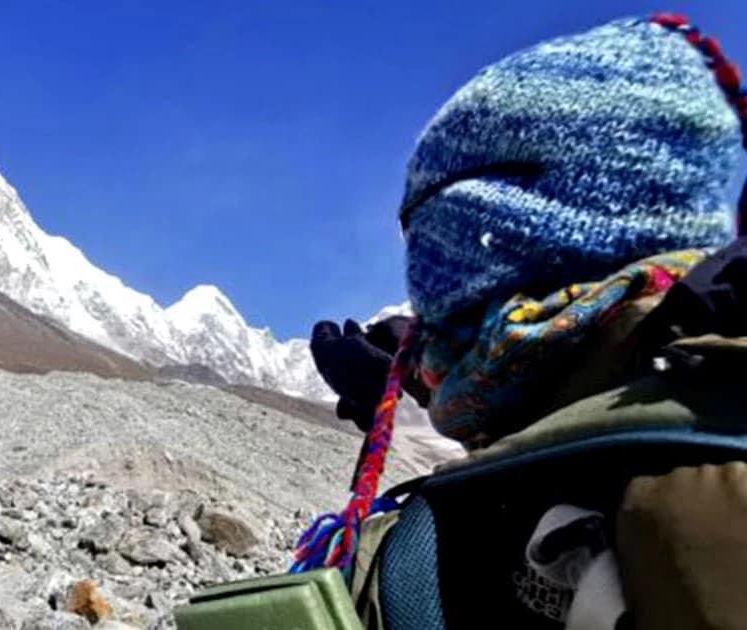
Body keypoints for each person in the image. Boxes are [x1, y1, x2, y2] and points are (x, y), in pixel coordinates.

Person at [307, 13, 747, 629]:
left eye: (430, 236)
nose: (422, 283)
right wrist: (410, 402)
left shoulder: (691, 489)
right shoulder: (677, 402)